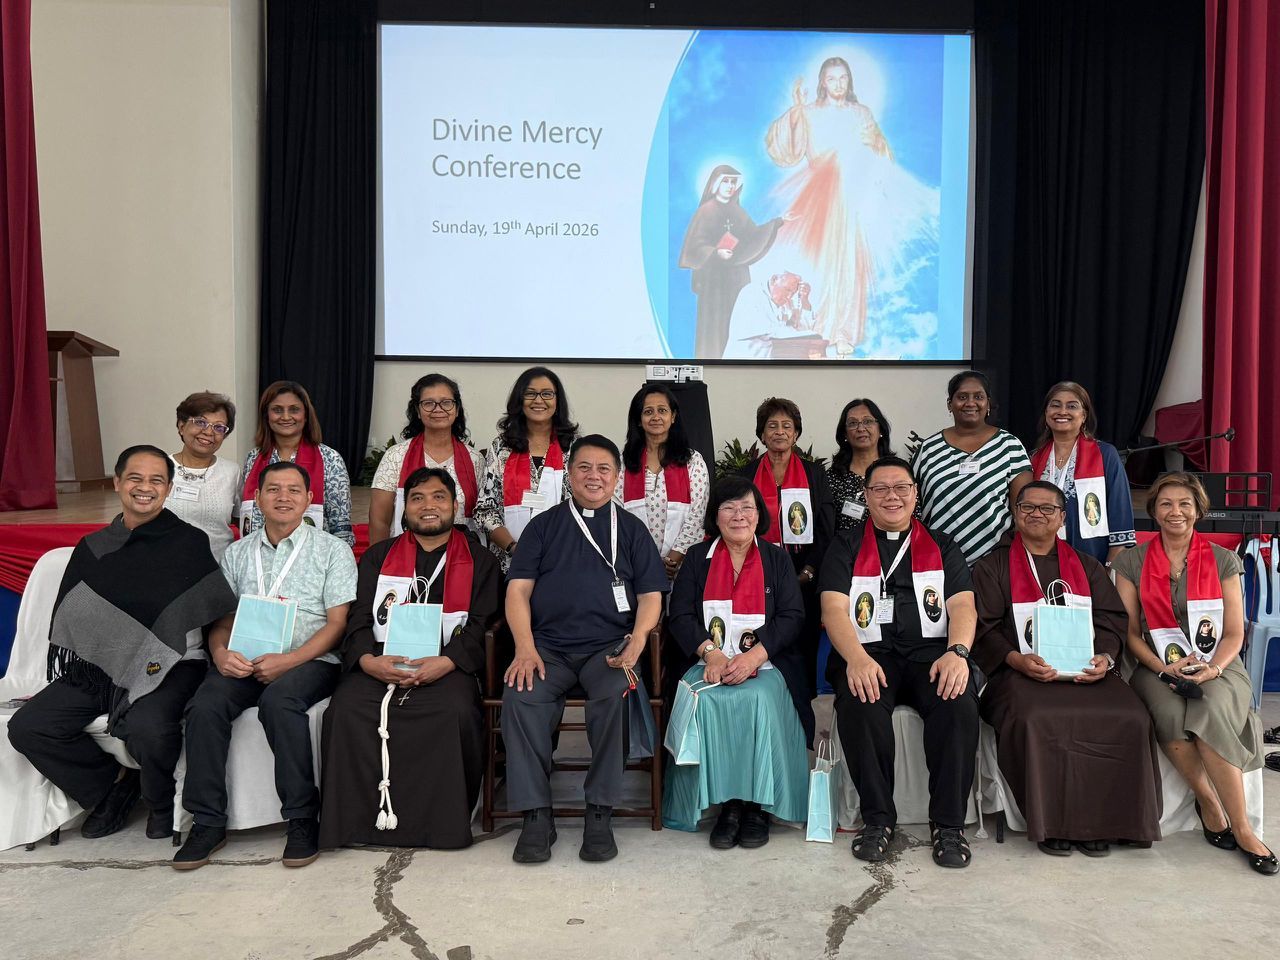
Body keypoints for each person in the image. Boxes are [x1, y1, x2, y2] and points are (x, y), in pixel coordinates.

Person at [9, 445, 236, 840]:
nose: (145, 487)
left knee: (150, 728)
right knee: (29, 726)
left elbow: (214, 608)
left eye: (156, 480)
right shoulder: (93, 546)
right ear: (117, 483)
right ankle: (112, 787)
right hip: (100, 667)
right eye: (135, 478)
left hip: (169, 663)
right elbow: (74, 614)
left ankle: (159, 802)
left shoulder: (188, 543)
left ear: (168, 489)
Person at [173, 461, 357, 870]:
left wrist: (289, 660)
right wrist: (220, 653)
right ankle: (207, 821)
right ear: (257, 498)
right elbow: (222, 622)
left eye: (294, 490)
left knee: (280, 703)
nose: (283, 497)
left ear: (309, 499)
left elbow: (337, 624)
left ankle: (302, 818)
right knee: (204, 706)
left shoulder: (332, 550)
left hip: (310, 659)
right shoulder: (237, 554)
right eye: (273, 489)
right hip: (244, 659)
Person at [502, 435, 668, 864]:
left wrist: (637, 639)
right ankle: (536, 814)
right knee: (521, 695)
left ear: (616, 477)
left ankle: (600, 810)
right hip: (548, 650)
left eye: (604, 469)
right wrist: (524, 647)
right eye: (584, 467)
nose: (594, 476)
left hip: (609, 650)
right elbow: (518, 591)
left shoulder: (632, 529)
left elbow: (651, 595)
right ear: (569, 474)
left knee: (618, 695)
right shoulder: (542, 527)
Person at [971, 481, 1161, 856]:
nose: (1036, 514)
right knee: (1035, 717)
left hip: (1085, 670)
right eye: (1028, 507)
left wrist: (1105, 658)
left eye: (1047, 509)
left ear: (1062, 518)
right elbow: (985, 628)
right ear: (1015, 513)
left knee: (1131, 716)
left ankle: (1109, 822)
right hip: (1019, 673)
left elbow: (1111, 619)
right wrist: (1016, 660)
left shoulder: (1086, 566)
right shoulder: (993, 567)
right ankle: (1054, 823)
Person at [319, 468, 502, 850]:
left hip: (448, 663)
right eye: (417, 498)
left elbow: (482, 623)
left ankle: (440, 826)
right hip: (381, 658)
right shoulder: (379, 556)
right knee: (346, 709)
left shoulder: (480, 560)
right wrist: (367, 661)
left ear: (455, 505)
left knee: (453, 710)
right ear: (404, 508)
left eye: (438, 497)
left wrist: (447, 662)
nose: (428, 505)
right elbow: (359, 617)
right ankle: (356, 824)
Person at [1112, 473, 1275, 876]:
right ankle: (1208, 802)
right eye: (1166, 503)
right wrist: (1161, 668)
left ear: (1198, 510)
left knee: (1209, 707)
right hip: (1156, 663)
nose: (1176, 512)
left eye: (1184, 503)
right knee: (1169, 713)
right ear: (1153, 511)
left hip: (1218, 662)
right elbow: (1130, 634)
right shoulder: (1131, 562)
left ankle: (1243, 828)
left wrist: (1214, 668)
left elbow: (1235, 631)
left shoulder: (1223, 560)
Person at [819, 456, 978, 868]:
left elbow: (963, 605)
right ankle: (877, 820)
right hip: (869, 654)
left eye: (901, 488)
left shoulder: (942, 544)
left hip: (932, 655)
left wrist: (958, 652)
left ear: (915, 494)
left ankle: (949, 825)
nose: (892, 496)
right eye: (881, 489)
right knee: (861, 701)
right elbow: (833, 608)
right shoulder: (846, 545)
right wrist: (855, 659)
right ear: (866, 495)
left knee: (958, 703)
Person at [662, 476, 812, 845]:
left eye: (747, 507)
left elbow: (792, 616)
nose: (739, 515)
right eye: (729, 507)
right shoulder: (697, 558)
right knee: (708, 700)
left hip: (767, 661)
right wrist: (710, 653)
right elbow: (680, 615)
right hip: (707, 660)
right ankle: (728, 804)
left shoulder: (776, 558)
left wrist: (753, 657)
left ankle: (756, 805)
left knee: (757, 697)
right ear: (715, 516)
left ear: (759, 514)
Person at [766, 56, 938, 356]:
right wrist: (795, 110)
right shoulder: (809, 112)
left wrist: (875, 147)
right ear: (822, 82)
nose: (838, 84)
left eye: (843, 78)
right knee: (818, 263)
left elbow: (882, 155)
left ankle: (842, 331)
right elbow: (785, 149)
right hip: (819, 197)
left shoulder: (861, 113)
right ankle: (814, 327)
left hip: (853, 197)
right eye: (832, 78)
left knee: (848, 264)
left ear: (850, 81)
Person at [739, 397, 835, 703]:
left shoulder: (814, 474)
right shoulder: (746, 475)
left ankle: (801, 713)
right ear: (762, 434)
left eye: (787, 426)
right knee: (761, 643)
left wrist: (808, 571)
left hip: (804, 575)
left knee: (801, 650)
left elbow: (826, 529)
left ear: (796, 434)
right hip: (758, 574)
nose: (779, 432)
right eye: (772, 426)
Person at [911, 371, 1032, 564]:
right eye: (962, 397)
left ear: (988, 403)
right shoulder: (928, 449)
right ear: (949, 404)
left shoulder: (1009, 445)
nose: (970, 403)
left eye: (978, 397)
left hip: (995, 561)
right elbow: (911, 505)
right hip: (939, 558)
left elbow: (1024, 509)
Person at [475, 366, 578, 573]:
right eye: (530, 393)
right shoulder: (501, 447)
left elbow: (584, 505)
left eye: (547, 394)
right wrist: (514, 548)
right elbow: (485, 510)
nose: (538, 400)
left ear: (558, 401)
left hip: (562, 561)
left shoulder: (574, 447)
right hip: (509, 563)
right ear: (519, 400)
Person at [679, 164, 785, 359]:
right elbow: (694, 247)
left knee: (738, 322)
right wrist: (716, 253)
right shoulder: (706, 211)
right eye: (726, 181)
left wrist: (778, 222)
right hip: (714, 283)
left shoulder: (738, 212)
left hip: (736, 280)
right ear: (716, 184)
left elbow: (753, 236)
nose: (730, 186)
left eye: (733, 182)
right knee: (714, 328)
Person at [368, 373, 487, 545]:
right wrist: (378, 558)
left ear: (457, 409)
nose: (438, 409)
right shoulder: (396, 456)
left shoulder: (475, 459)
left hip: (463, 553)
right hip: (405, 553)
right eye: (428, 403)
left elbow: (483, 514)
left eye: (446, 402)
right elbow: (379, 520)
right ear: (417, 410)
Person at [236, 380, 354, 547]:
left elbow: (340, 527)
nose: (285, 417)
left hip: (314, 557)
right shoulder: (253, 458)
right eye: (277, 410)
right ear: (266, 416)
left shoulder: (330, 458)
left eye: (294, 409)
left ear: (306, 416)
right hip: (258, 555)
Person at [1029, 381, 1135, 564]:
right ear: (1046, 413)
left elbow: (1120, 512)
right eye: (1055, 405)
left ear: (1084, 415)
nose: (1062, 411)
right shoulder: (1034, 459)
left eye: (1072, 406)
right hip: (1042, 560)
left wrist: (1110, 567)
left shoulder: (1105, 455)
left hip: (1092, 561)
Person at [614, 385, 711, 580]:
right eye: (648, 412)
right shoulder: (622, 463)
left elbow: (698, 516)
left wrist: (672, 561)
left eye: (662, 410)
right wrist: (647, 563)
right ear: (639, 420)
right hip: (635, 565)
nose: (656, 417)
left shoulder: (693, 461)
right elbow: (616, 514)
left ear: (673, 417)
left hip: (682, 566)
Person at [165, 392, 240, 560]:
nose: (209, 432)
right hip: (166, 564)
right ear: (181, 426)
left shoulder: (232, 472)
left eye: (219, 427)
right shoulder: (160, 467)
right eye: (200, 422)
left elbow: (241, 521)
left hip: (217, 567)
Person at [827, 398, 896, 532]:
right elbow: (825, 528)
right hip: (845, 545)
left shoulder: (898, 473)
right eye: (853, 423)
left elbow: (913, 518)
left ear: (880, 429)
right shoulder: (832, 478)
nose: (860, 428)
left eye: (867, 421)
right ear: (845, 433)